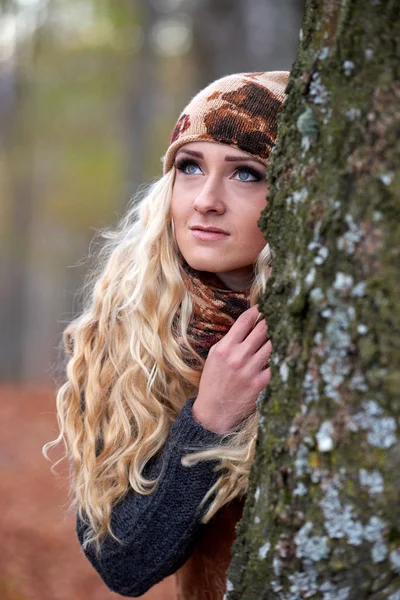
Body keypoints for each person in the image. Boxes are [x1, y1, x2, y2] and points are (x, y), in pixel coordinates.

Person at [44, 71, 289, 599]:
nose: (206, 200)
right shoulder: (134, 331)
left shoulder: (328, 328)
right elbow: (121, 562)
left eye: (247, 174)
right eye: (190, 166)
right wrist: (209, 421)